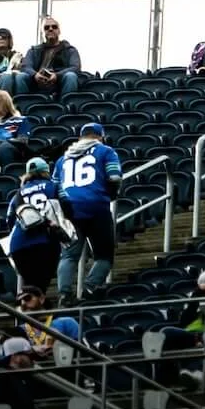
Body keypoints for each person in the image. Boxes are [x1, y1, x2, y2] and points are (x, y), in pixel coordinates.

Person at [54, 122, 122, 300]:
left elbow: (54, 186)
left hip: (69, 208)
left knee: (69, 255)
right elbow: (114, 176)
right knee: (104, 255)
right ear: (100, 136)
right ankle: (89, 288)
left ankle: (64, 294)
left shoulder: (63, 159)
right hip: (96, 206)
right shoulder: (106, 151)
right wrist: (111, 195)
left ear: (80, 137)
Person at [4, 157, 74, 294]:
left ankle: (27, 311)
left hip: (18, 245)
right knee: (40, 288)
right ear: (46, 171)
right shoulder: (54, 186)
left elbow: (9, 220)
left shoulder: (18, 194)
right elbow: (67, 205)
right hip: (45, 242)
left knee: (30, 286)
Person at [21, 18, 84, 98]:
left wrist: (57, 75)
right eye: (46, 28)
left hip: (60, 82)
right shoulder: (33, 50)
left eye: (54, 27)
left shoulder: (70, 50)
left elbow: (75, 67)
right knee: (21, 76)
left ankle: (67, 106)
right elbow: (25, 66)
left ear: (59, 31)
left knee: (71, 76)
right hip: (36, 82)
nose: (50, 29)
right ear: (42, 32)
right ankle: (22, 106)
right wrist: (35, 75)